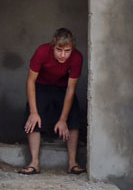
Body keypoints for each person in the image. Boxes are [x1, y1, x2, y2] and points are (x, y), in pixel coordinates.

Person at [20, 28, 85, 175]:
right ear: (53, 46)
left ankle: (73, 163)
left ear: (72, 49)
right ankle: (34, 163)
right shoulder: (42, 52)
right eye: (59, 50)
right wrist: (33, 112)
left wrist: (63, 119)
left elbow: (71, 89)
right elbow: (30, 81)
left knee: (73, 115)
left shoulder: (77, 58)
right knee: (33, 120)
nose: (63, 55)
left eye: (67, 51)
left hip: (62, 88)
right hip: (41, 85)